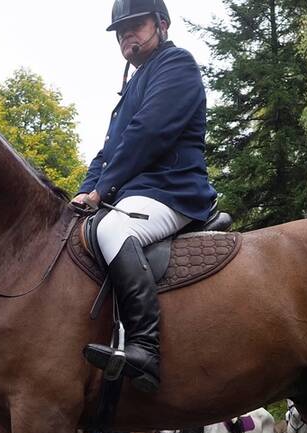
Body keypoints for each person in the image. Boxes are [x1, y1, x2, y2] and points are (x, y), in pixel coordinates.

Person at [75, 0, 218, 393]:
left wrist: (103, 190)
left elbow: (148, 135)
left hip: (172, 190)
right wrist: (83, 191)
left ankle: (144, 348)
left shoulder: (177, 66)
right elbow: (107, 153)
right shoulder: (132, 86)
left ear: (162, 24)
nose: (127, 35)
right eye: (121, 31)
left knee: (112, 230)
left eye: (135, 25)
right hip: (138, 193)